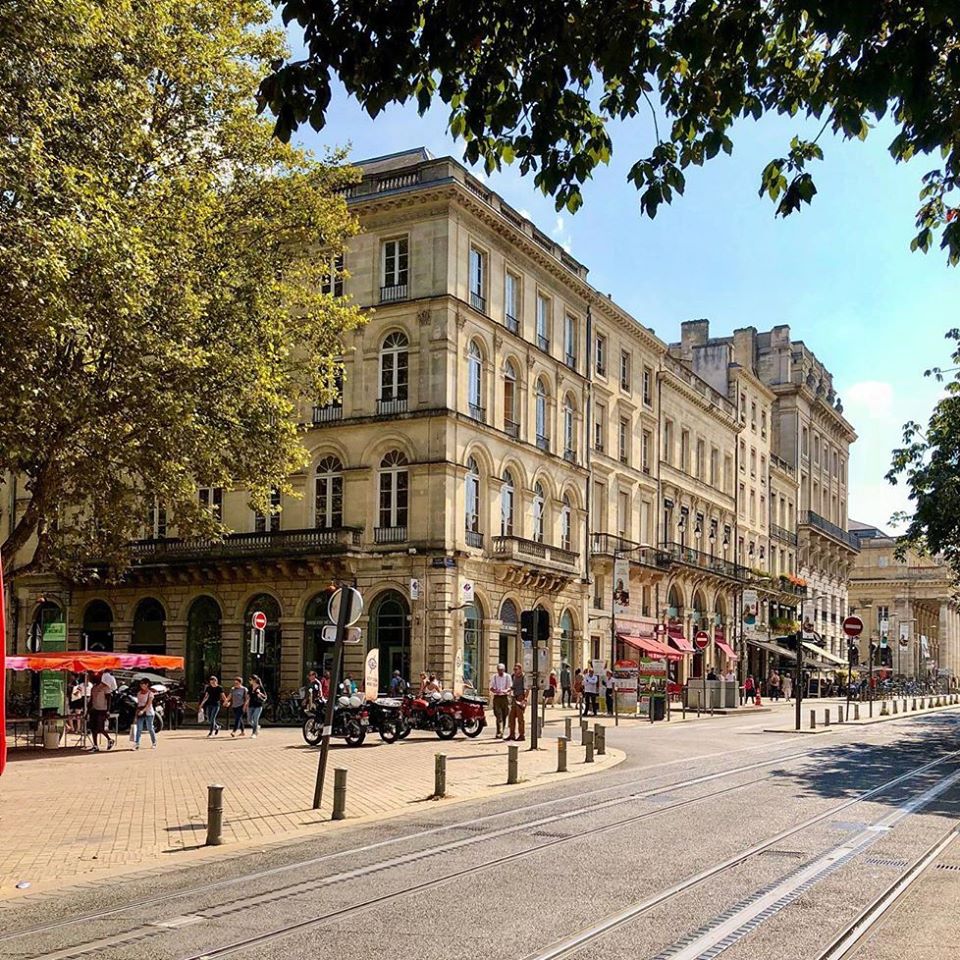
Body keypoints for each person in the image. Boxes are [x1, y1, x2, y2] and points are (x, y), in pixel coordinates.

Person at [88, 674, 115, 752]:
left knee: (100, 727)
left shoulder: (105, 687)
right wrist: (88, 710)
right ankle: (95, 745)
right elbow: (91, 700)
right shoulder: (93, 688)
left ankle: (109, 739)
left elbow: (109, 698)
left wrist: (108, 710)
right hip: (94, 709)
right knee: (93, 728)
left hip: (102, 709)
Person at [133, 678, 157, 750]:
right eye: (140, 684)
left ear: (147, 684)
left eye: (143, 684)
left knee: (150, 728)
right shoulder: (139, 693)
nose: (141, 685)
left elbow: (149, 704)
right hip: (140, 712)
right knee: (139, 729)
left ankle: (154, 742)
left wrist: (143, 711)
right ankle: (137, 743)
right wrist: (136, 714)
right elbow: (138, 704)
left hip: (149, 712)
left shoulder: (150, 693)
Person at [489, 663, 512, 738]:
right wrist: (495, 690)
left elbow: (510, 687)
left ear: (504, 670)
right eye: (499, 670)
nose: (500, 672)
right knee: (498, 715)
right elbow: (491, 687)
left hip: (505, 697)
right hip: (497, 697)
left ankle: (501, 731)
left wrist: (506, 690)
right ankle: (499, 732)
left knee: (504, 715)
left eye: (501, 670)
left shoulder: (507, 676)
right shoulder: (494, 677)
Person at [507, 663, 527, 741]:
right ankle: (512, 734)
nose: (514, 671)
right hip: (514, 698)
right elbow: (513, 686)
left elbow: (527, 689)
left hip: (520, 697)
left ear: (520, 669)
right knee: (511, 717)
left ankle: (522, 735)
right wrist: (509, 689)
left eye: (516, 669)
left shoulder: (524, 677)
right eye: (514, 669)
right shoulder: (513, 676)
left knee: (520, 718)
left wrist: (525, 699)